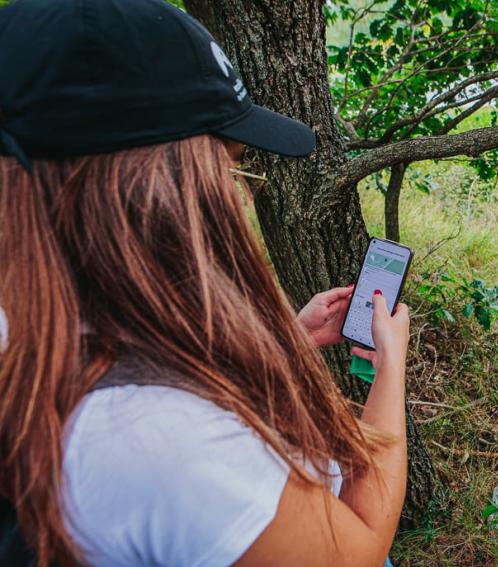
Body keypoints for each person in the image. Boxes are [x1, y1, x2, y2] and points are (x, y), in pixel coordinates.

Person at [0, 0, 410, 566]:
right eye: (229, 167)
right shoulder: (164, 442)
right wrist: (390, 369)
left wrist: (291, 337)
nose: (240, 197)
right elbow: (359, 550)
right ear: (150, 194)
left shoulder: (30, 319)